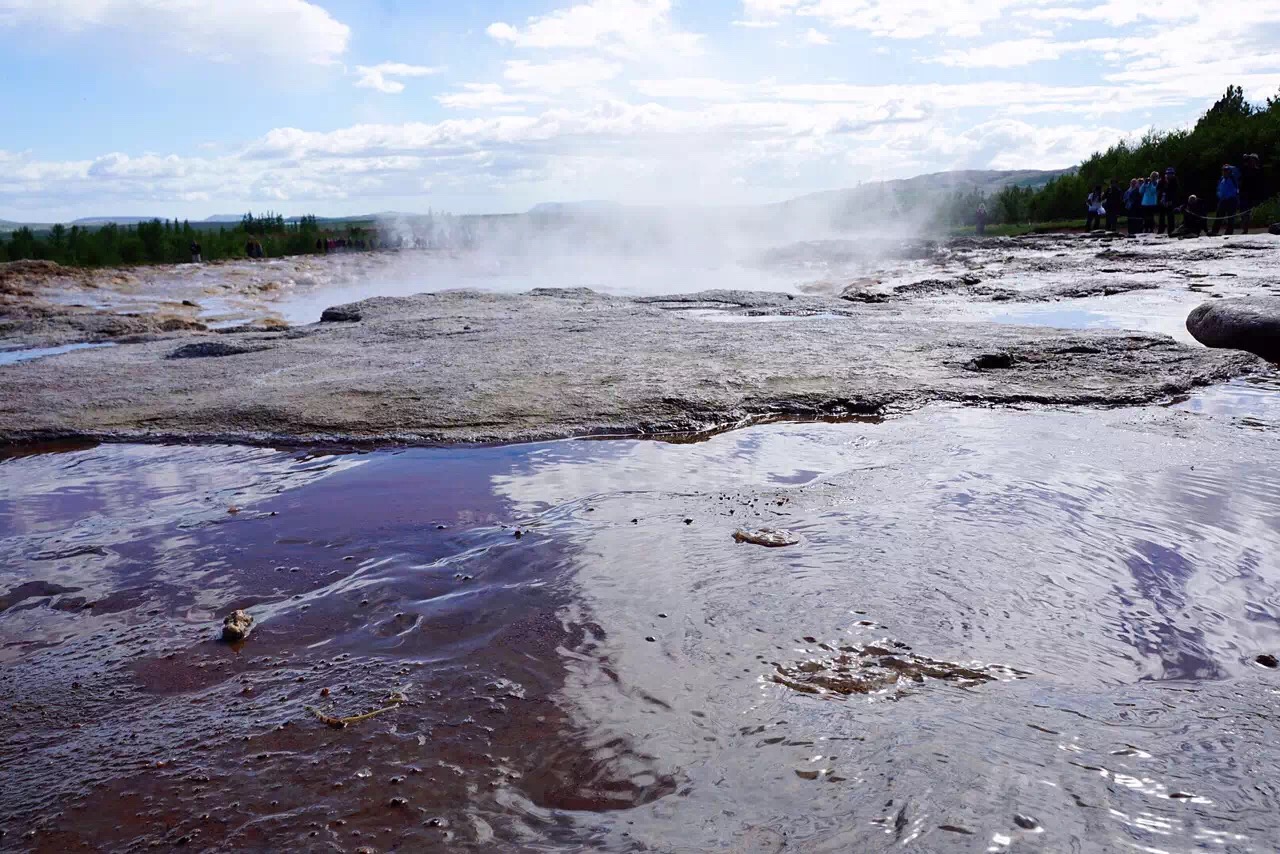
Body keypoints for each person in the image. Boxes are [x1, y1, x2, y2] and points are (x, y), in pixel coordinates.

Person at [1209, 163, 1241, 236]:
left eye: (1226, 170)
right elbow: (1218, 189)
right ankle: (1215, 231)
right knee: (1219, 215)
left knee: (1231, 217)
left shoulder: (1233, 178)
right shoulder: (1221, 179)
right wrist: (1219, 195)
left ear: (1229, 171)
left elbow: (1237, 170)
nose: (1224, 172)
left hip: (1231, 199)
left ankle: (1229, 232)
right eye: (1223, 170)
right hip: (1223, 200)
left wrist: (1229, 166)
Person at [1239, 154, 1263, 233]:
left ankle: (1245, 229)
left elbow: (1260, 184)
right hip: (1243, 193)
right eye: (1250, 160)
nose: (1251, 161)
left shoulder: (1257, 171)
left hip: (1252, 194)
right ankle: (1244, 227)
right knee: (1242, 211)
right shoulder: (1245, 168)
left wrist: (1258, 196)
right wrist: (1246, 158)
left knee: (1247, 212)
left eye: (1253, 160)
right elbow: (1241, 166)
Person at [1159, 168, 1180, 235]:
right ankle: (1161, 230)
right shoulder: (1162, 180)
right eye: (1168, 174)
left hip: (1170, 200)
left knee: (1170, 216)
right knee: (1161, 216)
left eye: (1170, 174)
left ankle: (1171, 230)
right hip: (1162, 200)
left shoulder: (1175, 181)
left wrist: (1171, 201)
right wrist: (1161, 198)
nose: (1169, 175)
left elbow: (1175, 192)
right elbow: (1159, 189)